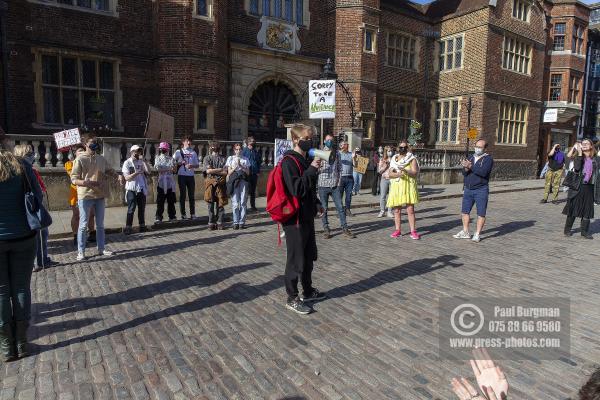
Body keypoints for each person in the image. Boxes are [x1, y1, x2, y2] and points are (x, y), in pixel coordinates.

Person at [0, 149, 43, 361]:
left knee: (0, 292)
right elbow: (38, 195)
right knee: (21, 288)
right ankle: (21, 342)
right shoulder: (22, 165)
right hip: (23, 235)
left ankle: (7, 346)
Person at [281, 124, 326, 315]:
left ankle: (307, 290)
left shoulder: (304, 159)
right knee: (295, 259)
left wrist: (316, 202)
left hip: (307, 215)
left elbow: (308, 189)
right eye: (308, 138)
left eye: (312, 137)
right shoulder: (288, 162)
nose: (311, 141)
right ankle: (292, 297)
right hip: (294, 219)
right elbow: (297, 188)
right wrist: (312, 170)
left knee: (308, 256)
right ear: (296, 140)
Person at [71, 134, 120, 261]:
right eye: (92, 143)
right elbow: (74, 178)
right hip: (85, 194)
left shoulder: (101, 159)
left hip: (100, 194)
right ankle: (81, 251)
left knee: (100, 224)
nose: (95, 145)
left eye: (96, 143)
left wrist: (118, 176)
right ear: (85, 144)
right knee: (83, 224)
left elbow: (109, 170)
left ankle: (101, 248)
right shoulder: (80, 159)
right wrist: (84, 182)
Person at [13, 144, 58, 271]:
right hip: (32, 207)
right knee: (40, 235)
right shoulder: (25, 169)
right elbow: (36, 191)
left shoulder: (24, 169)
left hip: (29, 206)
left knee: (38, 235)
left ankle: (38, 260)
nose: (33, 156)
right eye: (29, 154)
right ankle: (40, 261)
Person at [453, 139, 494, 243]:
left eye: (480, 147)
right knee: (465, 211)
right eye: (476, 146)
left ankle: (477, 234)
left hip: (481, 189)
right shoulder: (471, 157)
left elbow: (483, 172)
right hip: (468, 188)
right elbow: (464, 173)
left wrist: (470, 166)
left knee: (481, 213)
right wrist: (466, 168)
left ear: (485, 148)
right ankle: (465, 231)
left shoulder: (488, 159)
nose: (477, 149)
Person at [317, 134, 355, 239]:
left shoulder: (337, 153)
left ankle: (345, 228)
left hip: (334, 186)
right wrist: (318, 166)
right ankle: (326, 229)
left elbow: (340, 168)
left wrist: (338, 183)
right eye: (328, 140)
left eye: (331, 140)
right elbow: (314, 168)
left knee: (340, 208)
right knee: (324, 209)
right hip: (323, 185)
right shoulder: (319, 153)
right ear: (324, 141)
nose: (330, 142)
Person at [563, 138, 600, 239]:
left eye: (587, 143)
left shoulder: (596, 158)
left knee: (587, 210)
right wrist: (579, 153)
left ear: (591, 146)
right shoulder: (578, 156)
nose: (584, 145)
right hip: (577, 186)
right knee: (573, 208)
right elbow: (577, 168)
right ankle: (567, 229)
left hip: (590, 187)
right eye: (583, 143)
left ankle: (584, 232)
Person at [386, 141, 421, 239]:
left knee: (410, 210)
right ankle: (398, 230)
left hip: (408, 186)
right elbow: (390, 173)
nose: (402, 149)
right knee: (397, 210)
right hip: (396, 186)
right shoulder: (394, 158)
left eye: (404, 147)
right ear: (398, 148)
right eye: (401, 147)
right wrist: (398, 174)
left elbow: (415, 172)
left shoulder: (411, 158)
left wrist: (406, 170)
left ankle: (413, 231)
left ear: (407, 148)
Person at [65, 145, 95, 245]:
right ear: (75, 154)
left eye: (83, 150)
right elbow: (73, 177)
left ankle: (92, 233)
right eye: (79, 151)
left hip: (88, 192)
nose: (82, 152)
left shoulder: (89, 162)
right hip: (76, 193)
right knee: (76, 215)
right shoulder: (69, 164)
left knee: (91, 214)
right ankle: (75, 235)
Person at [122, 145, 150, 234]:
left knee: (141, 208)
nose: (137, 153)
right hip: (131, 188)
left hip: (141, 188)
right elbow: (127, 178)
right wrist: (136, 173)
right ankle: (128, 227)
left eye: (139, 151)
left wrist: (144, 161)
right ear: (131, 152)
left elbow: (148, 171)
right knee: (131, 208)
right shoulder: (127, 163)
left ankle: (142, 225)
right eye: (136, 151)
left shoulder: (141, 162)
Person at [203, 141, 228, 230]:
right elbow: (208, 171)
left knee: (220, 203)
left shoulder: (223, 159)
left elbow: (225, 172)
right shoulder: (207, 158)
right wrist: (220, 169)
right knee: (210, 203)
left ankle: (220, 222)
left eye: (216, 146)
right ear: (210, 147)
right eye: (213, 146)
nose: (214, 148)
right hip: (210, 183)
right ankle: (211, 222)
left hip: (221, 183)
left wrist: (214, 170)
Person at [174, 135, 199, 219]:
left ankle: (192, 213)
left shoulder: (193, 152)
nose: (189, 143)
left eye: (190, 141)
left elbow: (197, 165)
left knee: (191, 196)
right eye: (187, 141)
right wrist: (180, 163)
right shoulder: (178, 152)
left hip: (191, 176)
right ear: (183, 142)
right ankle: (183, 214)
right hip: (182, 176)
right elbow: (173, 163)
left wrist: (192, 166)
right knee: (183, 195)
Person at [226, 142, 250, 229]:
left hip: (243, 180)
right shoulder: (230, 158)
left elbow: (248, 172)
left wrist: (241, 166)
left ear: (242, 150)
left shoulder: (245, 159)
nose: (238, 151)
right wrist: (236, 166)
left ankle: (242, 222)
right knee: (235, 203)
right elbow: (228, 172)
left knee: (243, 202)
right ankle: (235, 222)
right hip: (234, 180)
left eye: (240, 149)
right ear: (234, 150)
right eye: (237, 149)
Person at [154, 142, 177, 223]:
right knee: (160, 201)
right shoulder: (157, 158)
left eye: (164, 149)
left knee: (171, 201)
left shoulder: (171, 159)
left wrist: (173, 168)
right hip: (161, 183)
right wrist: (168, 169)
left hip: (170, 182)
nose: (163, 150)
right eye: (162, 149)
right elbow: (158, 169)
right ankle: (158, 217)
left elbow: (174, 170)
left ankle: (172, 216)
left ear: (167, 150)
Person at [242, 136, 261, 212]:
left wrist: (258, 171)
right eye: (252, 141)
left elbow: (258, 162)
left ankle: (253, 206)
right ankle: (244, 207)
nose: (253, 142)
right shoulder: (244, 151)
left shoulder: (255, 151)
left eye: (254, 141)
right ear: (248, 142)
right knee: (245, 191)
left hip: (254, 174)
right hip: (246, 174)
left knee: (253, 191)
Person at [338, 140, 354, 217]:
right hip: (341, 177)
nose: (346, 146)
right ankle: (340, 211)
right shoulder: (338, 153)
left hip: (350, 177)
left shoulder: (351, 154)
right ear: (341, 146)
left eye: (347, 144)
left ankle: (347, 210)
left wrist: (355, 158)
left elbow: (356, 165)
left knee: (349, 195)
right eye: (344, 144)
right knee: (339, 195)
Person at [377, 145, 394, 218]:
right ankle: (382, 211)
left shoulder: (394, 159)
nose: (390, 152)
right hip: (384, 179)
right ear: (386, 152)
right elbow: (379, 171)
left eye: (391, 151)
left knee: (391, 196)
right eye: (388, 151)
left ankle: (389, 211)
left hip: (392, 179)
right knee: (383, 196)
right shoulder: (382, 160)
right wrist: (385, 166)